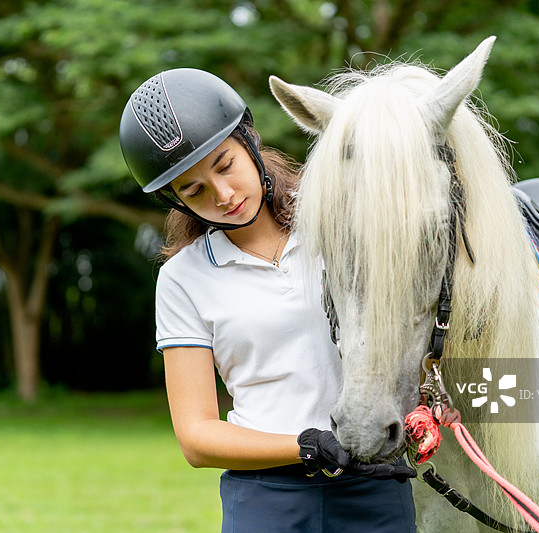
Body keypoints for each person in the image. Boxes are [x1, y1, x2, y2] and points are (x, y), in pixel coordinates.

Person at [119, 68, 418, 532]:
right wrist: (307, 443)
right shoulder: (183, 279)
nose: (223, 194)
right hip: (266, 501)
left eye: (224, 165)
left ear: (250, 141)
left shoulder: (346, 227)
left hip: (375, 488)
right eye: (193, 189)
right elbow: (196, 437)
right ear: (175, 202)